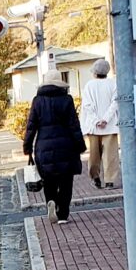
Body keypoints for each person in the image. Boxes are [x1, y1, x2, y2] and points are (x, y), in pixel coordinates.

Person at [23, 69, 87, 225]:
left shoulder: (37, 101)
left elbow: (31, 126)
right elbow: (74, 125)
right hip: (66, 146)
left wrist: (27, 146)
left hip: (43, 147)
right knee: (66, 182)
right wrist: (80, 145)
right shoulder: (67, 100)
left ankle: (51, 201)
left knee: (49, 180)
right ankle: (63, 214)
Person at [80, 58, 120, 189]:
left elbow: (87, 106)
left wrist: (97, 120)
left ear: (94, 72)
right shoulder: (113, 84)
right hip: (111, 125)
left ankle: (95, 177)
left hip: (93, 127)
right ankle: (110, 180)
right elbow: (115, 103)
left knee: (94, 155)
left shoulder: (89, 85)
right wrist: (106, 119)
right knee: (111, 155)